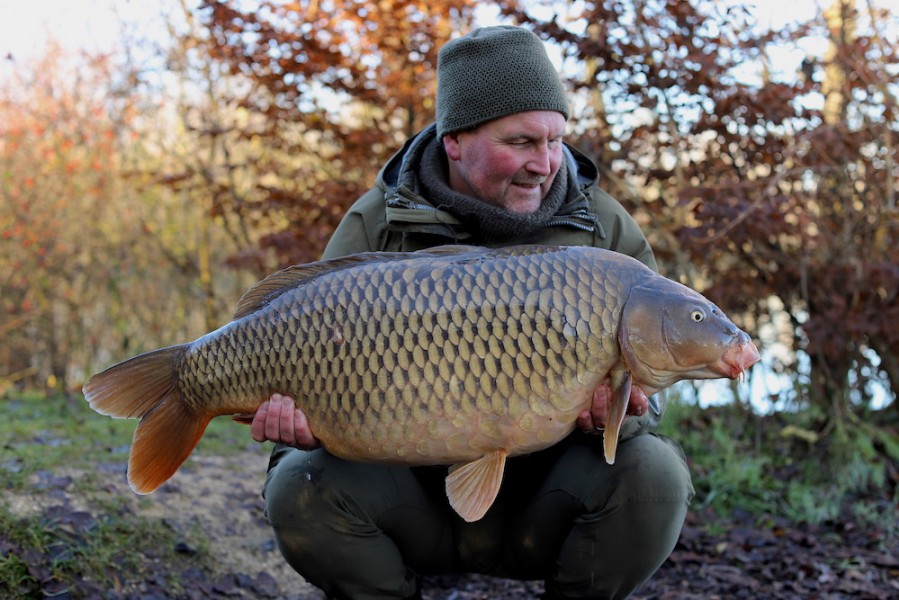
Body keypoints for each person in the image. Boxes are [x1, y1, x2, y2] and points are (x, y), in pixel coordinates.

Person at [250, 25, 694, 600]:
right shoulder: (378, 225)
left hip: (546, 503)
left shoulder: (604, 232)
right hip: (408, 500)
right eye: (522, 142)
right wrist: (300, 432)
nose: (547, 164)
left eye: (555, 140)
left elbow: (649, 396)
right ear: (455, 140)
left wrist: (621, 411)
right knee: (297, 484)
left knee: (655, 474)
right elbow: (306, 348)